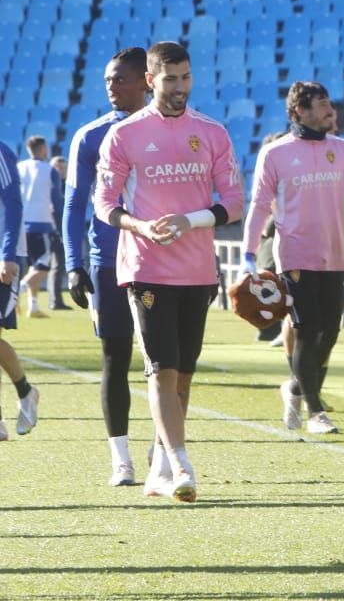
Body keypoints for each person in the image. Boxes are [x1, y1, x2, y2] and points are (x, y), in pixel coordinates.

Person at [94, 41, 243, 502]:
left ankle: (160, 465)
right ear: (151, 81)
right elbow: (104, 204)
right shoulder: (124, 135)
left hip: (197, 268)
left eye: (186, 78)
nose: (180, 88)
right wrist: (140, 226)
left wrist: (189, 221)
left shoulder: (212, 133)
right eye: (171, 79)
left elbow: (233, 203)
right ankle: (181, 461)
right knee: (161, 369)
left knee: (183, 376)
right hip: (145, 266)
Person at [242, 81, 344, 435]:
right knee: (307, 329)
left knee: (330, 333)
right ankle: (316, 410)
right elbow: (258, 205)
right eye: (320, 104)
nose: (329, 109)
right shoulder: (276, 153)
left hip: (334, 254)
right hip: (295, 254)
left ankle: (295, 388)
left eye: (329, 102)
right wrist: (248, 252)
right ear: (299, 111)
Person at [63, 47, 150, 484]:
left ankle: (165, 448)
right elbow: (76, 203)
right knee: (115, 358)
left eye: (118, 78)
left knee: (164, 360)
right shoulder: (90, 136)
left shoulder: (169, 133)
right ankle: (121, 458)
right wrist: (74, 263)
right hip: (108, 263)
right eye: (107, 79)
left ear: (145, 80)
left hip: (160, 262)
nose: (110, 86)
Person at [0, 138, 39, 442]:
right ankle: (25, 392)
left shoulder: (1, 152)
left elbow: (13, 203)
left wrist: (7, 254)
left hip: (5, 256)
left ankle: (26, 393)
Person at [16, 136, 61, 317]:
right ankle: (20, 287)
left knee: (33, 266)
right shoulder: (50, 170)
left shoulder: (18, 168)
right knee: (43, 266)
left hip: (21, 225)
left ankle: (33, 306)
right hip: (42, 224)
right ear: (43, 149)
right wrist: (58, 225)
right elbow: (56, 201)